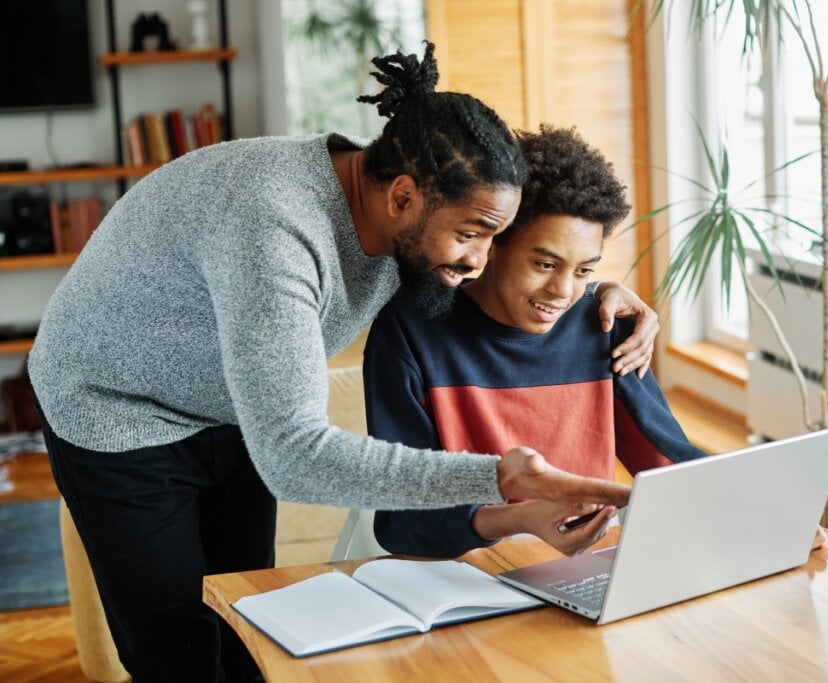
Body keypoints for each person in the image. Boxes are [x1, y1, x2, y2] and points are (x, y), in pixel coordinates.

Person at [27, 44, 652, 682]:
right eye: (472, 234)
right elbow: (295, 457)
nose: (480, 260)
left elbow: (503, 290)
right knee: (178, 650)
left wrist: (598, 300)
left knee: (245, 617)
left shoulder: (406, 192)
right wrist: (500, 478)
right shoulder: (275, 230)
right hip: (117, 407)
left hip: (232, 406)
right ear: (403, 196)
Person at [365, 125, 709, 559]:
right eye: (545, 264)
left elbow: (669, 462)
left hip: (585, 572)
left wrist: (758, 516)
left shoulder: (604, 325)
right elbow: (402, 523)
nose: (563, 292)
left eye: (584, 271)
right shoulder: (411, 331)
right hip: (465, 575)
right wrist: (523, 518)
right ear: (494, 243)